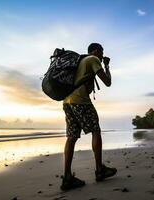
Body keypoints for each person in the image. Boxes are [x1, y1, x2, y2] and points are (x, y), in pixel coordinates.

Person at [61, 43, 117, 191]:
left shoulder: (80, 61)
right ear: (96, 51)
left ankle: (67, 177)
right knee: (95, 130)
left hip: (67, 101)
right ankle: (100, 170)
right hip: (81, 101)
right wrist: (107, 66)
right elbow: (108, 82)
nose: (102, 55)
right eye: (102, 52)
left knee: (72, 136)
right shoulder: (93, 59)